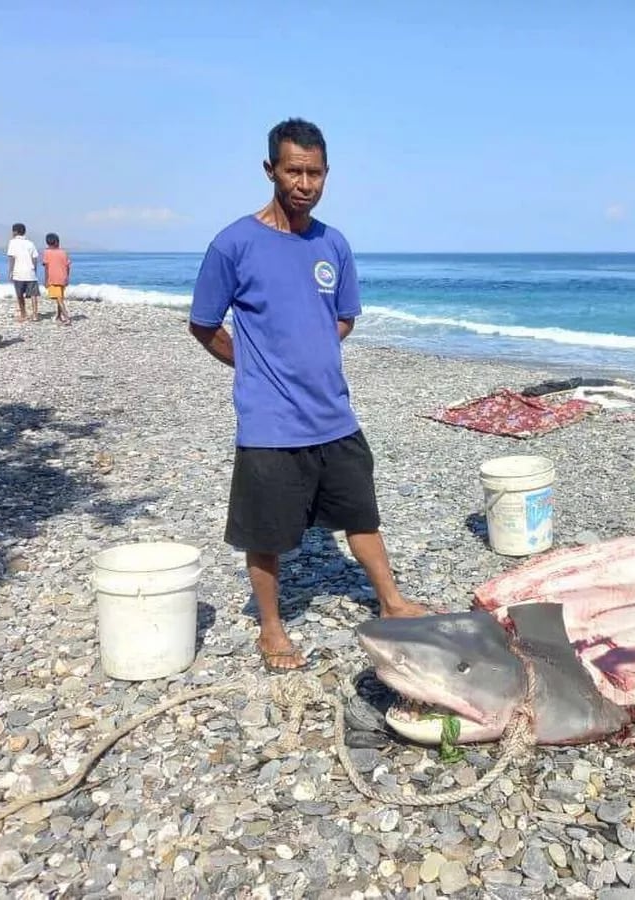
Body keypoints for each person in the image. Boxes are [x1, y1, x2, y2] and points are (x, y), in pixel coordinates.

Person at [189, 117, 427, 674]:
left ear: (326, 175)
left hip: (334, 414)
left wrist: (308, 352)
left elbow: (342, 319)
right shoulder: (233, 244)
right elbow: (203, 324)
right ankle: (271, 628)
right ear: (270, 169)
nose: (304, 183)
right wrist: (255, 364)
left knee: (361, 514)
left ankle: (391, 602)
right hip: (268, 421)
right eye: (293, 170)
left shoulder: (333, 244)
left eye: (314, 173)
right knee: (265, 531)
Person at [7, 223, 40, 322]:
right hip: (30, 272)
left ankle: (23, 314)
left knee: (20, 295)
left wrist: (11, 271)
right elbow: (34, 258)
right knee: (33, 295)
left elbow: (12, 258)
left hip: (18, 273)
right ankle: (35, 315)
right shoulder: (30, 243)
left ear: (15, 232)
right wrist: (34, 270)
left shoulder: (12, 242)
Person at [43, 233, 72, 325]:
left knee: (59, 299)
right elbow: (68, 266)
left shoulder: (47, 253)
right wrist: (67, 277)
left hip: (53, 278)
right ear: (57, 242)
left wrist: (46, 280)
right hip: (62, 277)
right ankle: (59, 316)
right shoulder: (63, 252)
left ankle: (67, 317)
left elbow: (46, 267)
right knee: (60, 297)